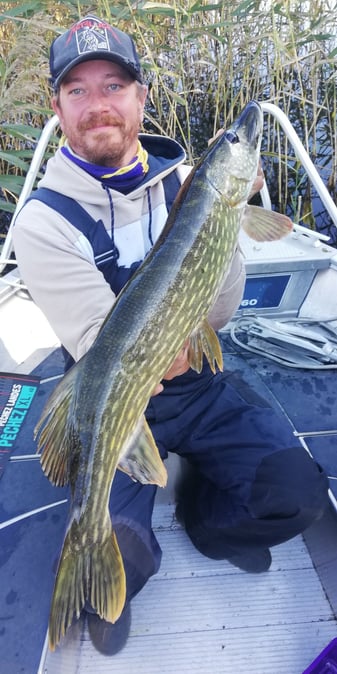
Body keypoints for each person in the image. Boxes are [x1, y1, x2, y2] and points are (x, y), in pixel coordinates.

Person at [13, 14, 329, 657]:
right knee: (111, 594)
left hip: (199, 382)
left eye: (114, 85)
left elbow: (214, 319)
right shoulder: (42, 222)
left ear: (141, 97)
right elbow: (112, 342)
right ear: (57, 106)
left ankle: (201, 518)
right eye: (78, 90)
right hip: (116, 397)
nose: (98, 104)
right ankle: (105, 535)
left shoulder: (191, 184)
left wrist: (228, 218)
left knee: (296, 500)